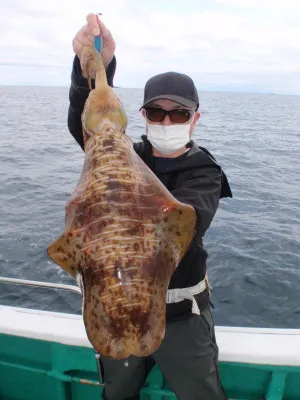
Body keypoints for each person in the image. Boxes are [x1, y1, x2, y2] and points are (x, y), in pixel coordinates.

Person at [68, 13, 233, 400]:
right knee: (118, 392)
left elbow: (187, 223)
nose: (167, 120)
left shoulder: (204, 171)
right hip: (112, 304)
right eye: (157, 112)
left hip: (182, 318)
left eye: (178, 113)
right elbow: (90, 127)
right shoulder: (125, 152)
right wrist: (94, 67)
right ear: (142, 116)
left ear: (194, 120)